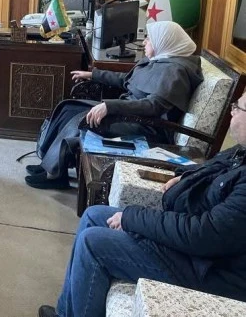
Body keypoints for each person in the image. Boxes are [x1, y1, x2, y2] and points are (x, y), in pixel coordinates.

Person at [38, 88, 246, 317]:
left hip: (212, 271)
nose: (232, 111)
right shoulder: (241, 151)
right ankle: (65, 313)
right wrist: (186, 177)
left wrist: (132, 218)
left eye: (238, 107)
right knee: (94, 215)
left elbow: (204, 235)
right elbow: (214, 169)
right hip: (196, 250)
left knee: (93, 243)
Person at [26, 20, 203, 189]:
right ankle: (47, 162)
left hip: (145, 126)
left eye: (149, 39)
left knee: (82, 120)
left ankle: (55, 175)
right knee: (68, 108)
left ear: (164, 41)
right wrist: (93, 74)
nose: (144, 42)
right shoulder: (161, 60)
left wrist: (109, 106)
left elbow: (153, 106)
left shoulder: (176, 71)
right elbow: (127, 80)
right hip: (128, 112)